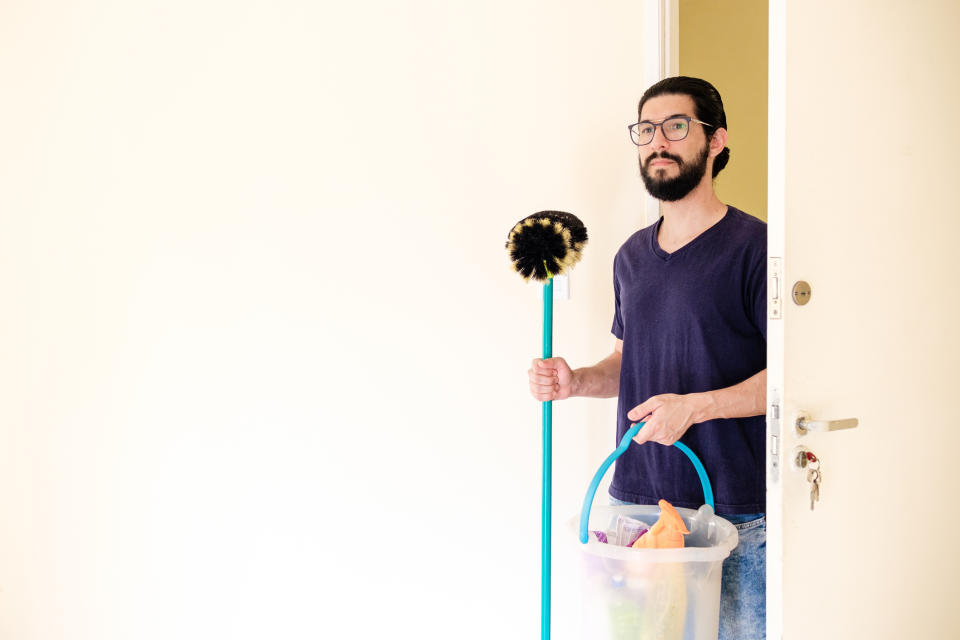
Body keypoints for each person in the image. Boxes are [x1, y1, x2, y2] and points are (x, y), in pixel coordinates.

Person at [527, 76, 766, 640]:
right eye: (646, 129)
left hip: (731, 514)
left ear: (717, 141)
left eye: (677, 126)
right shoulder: (631, 256)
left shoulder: (755, 247)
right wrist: (576, 380)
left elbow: (786, 380)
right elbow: (626, 363)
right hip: (636, 503)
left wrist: (696, 408)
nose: (658, 141)